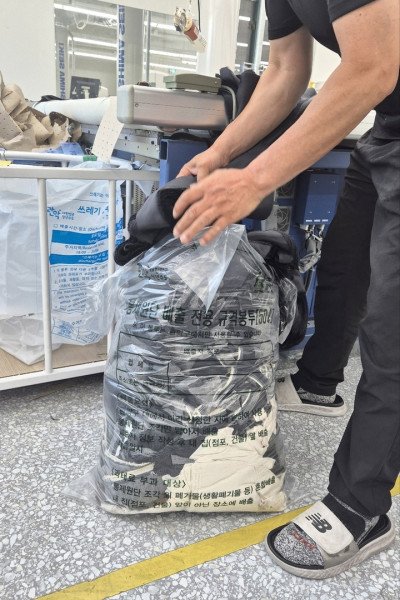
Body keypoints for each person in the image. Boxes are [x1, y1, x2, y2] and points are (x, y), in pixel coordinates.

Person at [173, 0, 399, 579]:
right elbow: (284, 71)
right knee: (344, 266)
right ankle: (319, 384)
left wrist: (254, 180)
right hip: (390, 124)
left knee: (390, 329)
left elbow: (375, 65)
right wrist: (221, 153)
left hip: (383, 90)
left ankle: (360, 505)